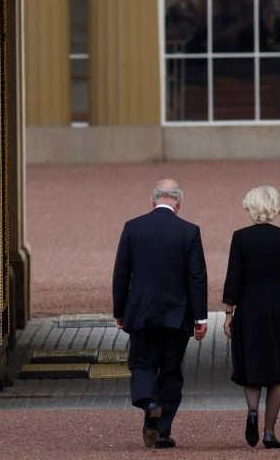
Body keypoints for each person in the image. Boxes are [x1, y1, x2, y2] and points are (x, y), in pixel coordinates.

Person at [113, 179, 208, 449]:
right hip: (177, 315)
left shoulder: (133, 227)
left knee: (142, 364)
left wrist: (120, 311)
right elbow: (197, 277)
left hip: (141, 311)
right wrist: (200, 317)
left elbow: (122, 273)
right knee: (170, 371)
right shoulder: (189, 231)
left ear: (152, 200)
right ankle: (162, 431)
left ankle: (149, 402)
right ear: (179, 204)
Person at [222, 185, 280, 449]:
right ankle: (269, 432)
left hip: (250, 308)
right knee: (278, 372)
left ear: (251, 207)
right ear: (275, 208)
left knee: (251, 366)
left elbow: (233, 278)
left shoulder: (240, 237)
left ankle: (252, 412)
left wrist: (229, 313)